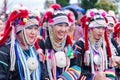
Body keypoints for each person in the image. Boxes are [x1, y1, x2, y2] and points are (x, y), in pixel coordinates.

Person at [0, 5, 49, 80]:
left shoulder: (36, 50)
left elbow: (44, 74)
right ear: (18, 30)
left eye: (36, 28)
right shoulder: (5, 51)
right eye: (29, 28)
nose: (33, 32)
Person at [71, 9, 116, 80]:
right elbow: (75, 68)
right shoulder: (80, 45)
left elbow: (110, 67)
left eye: (103, 28)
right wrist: (93, 77)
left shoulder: (104, 46)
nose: (101, 31)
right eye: (97, 27)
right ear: (90, 28)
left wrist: (109, 78)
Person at [39, 3, 81, 80]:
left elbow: (76, 66)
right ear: (51, 27)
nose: (63, 30)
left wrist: (64, 78)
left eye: (66, 26)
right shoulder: (42, 45)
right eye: (60, 25)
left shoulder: (71, 46)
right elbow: (40, 68)